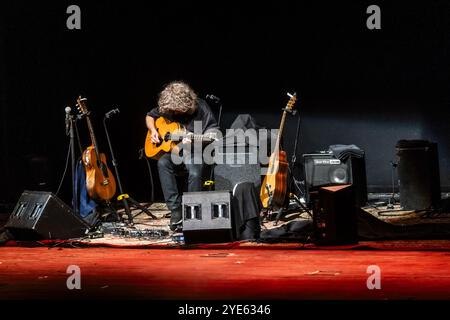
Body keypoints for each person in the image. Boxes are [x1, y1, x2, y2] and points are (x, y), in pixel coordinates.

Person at [146, 81, 219, 231]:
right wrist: (153, 131)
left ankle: (193, 210)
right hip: (175, 151)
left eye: (178, 111)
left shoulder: (201, 108)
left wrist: (194, 139)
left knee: (194, 171)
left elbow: (213, 133)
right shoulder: (168, 109)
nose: (175, 114)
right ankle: (176, 210)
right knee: (162, 163)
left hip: (195, 150)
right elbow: (149, 116)